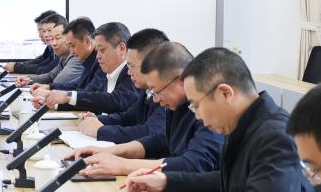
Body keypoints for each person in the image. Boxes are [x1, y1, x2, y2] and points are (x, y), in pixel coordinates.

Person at [123, 47, 314, 192]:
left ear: (225, 93)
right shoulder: (245, 124)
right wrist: (166, 182)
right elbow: (229, 181)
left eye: (196, 105)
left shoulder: (275, 136)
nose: (197, 116)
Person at [71, 42, 222, 175]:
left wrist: (123, 165)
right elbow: (161, 141)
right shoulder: (177, 105)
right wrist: (109, 152)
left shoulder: (208, 109)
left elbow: (195, 164)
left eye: (157, 92)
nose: (155, 99)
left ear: (181, 81)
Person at [77, 28, 168, 143]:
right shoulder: (148, 91)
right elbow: (128, 118)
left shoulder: (167, 95)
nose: (129, 72)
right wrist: (97, 120)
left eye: (131, 66)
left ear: (152, 65)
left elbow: (149, 133)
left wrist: (100, 131)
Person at [33, 22, 137, 114]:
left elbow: (114, 101)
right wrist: (52, 103)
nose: (98, 56)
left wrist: (67, 96)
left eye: (102, 50)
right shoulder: (109, 72)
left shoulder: (132, 73)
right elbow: (93, 101)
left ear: (121, 48)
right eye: (97, 51)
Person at [30, 17, 101, 104]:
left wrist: (51, 95)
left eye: (72, 45)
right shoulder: (88, 60)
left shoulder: (100, 61)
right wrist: (50, 88)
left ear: (87, 41)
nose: (71, 51)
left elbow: (90, 97)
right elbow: (78, 87)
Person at [15, 14, 82, 88]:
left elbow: (59, 81)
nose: (53, 43)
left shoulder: (77, 56)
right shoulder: (64, 56)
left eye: (58, 38)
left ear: (69, 37)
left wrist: (47, 87)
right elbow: (50, 76)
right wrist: (28, 79)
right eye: (52, 39)